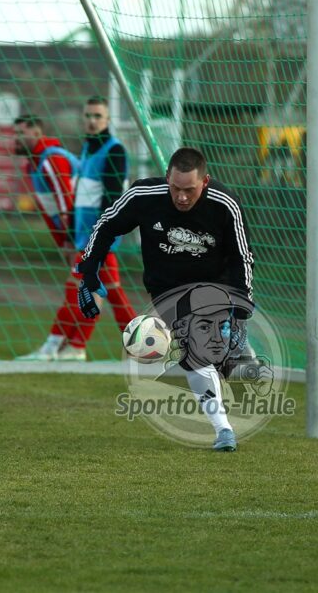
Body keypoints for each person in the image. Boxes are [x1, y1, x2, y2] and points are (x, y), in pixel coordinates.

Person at [76, 146, 255, 450]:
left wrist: (241, 311)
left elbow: (242, 257)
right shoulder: (143, 195)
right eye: (175, 188)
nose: (181, 197)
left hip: (215, 284)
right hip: (167, 289)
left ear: (205, 182)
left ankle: (235, 355)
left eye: (189, 190)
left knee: (211, 353)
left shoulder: (225, 203)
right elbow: (106, 225)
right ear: (167, 178)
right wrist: (89, 273)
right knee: (187, 350)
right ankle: (224, 426)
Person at [20, 96, 137, 361]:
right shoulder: (87, 149)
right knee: (109, 293)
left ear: (107, 120)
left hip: (99, 237)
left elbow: (112, 198)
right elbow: (82, 197)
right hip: (86, 237)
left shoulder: (114, 150)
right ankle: (78, 347)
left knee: (77, 289)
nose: (92, 121)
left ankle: (52, 348)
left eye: (98, 116)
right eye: (88, 116)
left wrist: (101, 235)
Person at [14, 115, 77, 248]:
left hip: (84, 232)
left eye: (21, 133)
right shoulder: (32, 166)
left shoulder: (52, 159)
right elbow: (49, 210)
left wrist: (69, 241)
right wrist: (61, 243)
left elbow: (66, 205)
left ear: (37, 133)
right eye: (15, 133)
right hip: (72, 235)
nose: (16, 138)